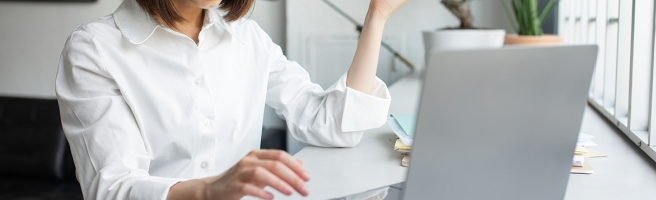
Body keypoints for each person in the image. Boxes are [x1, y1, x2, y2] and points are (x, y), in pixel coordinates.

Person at [56, 0, 409, 199]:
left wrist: (377, 16)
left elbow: (330, 123)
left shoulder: (246, 37)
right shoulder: (96, 49)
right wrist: (210, 190)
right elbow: (113, 188)